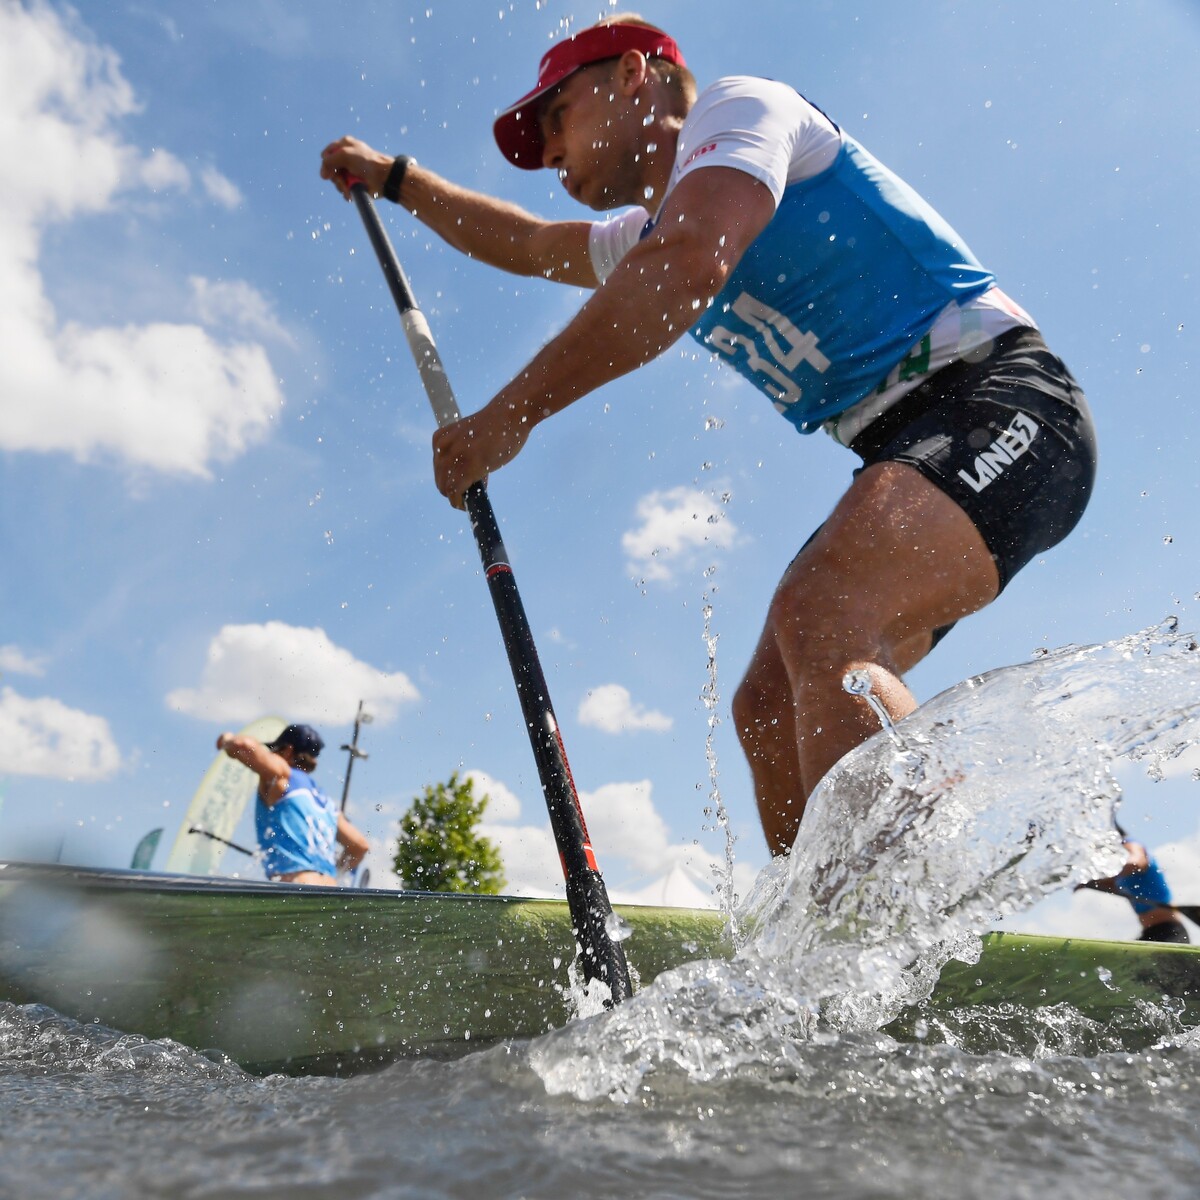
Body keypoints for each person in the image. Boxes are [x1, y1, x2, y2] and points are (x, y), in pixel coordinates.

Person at [320, 14, 1097, 858]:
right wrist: (397, 181)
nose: (547, 153)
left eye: (556, 115)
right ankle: (827, 957)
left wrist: (508, 417)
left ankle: (909, 918)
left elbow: (690, 262)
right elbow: (530, 242)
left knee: (823, 615)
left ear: (632, 75)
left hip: (1006, 403)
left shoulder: (741, 110)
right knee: (766, 707)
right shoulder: (641, 232)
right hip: (910, 447)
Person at [215, 723, 369, 886]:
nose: (271, 755)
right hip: (329, 889)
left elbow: (243, 745)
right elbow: (359, 846)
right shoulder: (325, 802)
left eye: (274, 750)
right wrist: (336, 872)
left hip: (297, 886)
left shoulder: (283, 776)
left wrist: (227, 739)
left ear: (287, 751)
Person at [1079, 836, 1190, 944]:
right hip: (1150, 932)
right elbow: (1109, 885)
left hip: (1170, 932)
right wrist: (1084, 883)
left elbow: (1135, 863)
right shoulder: (1123, 877)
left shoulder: (1131, 844)